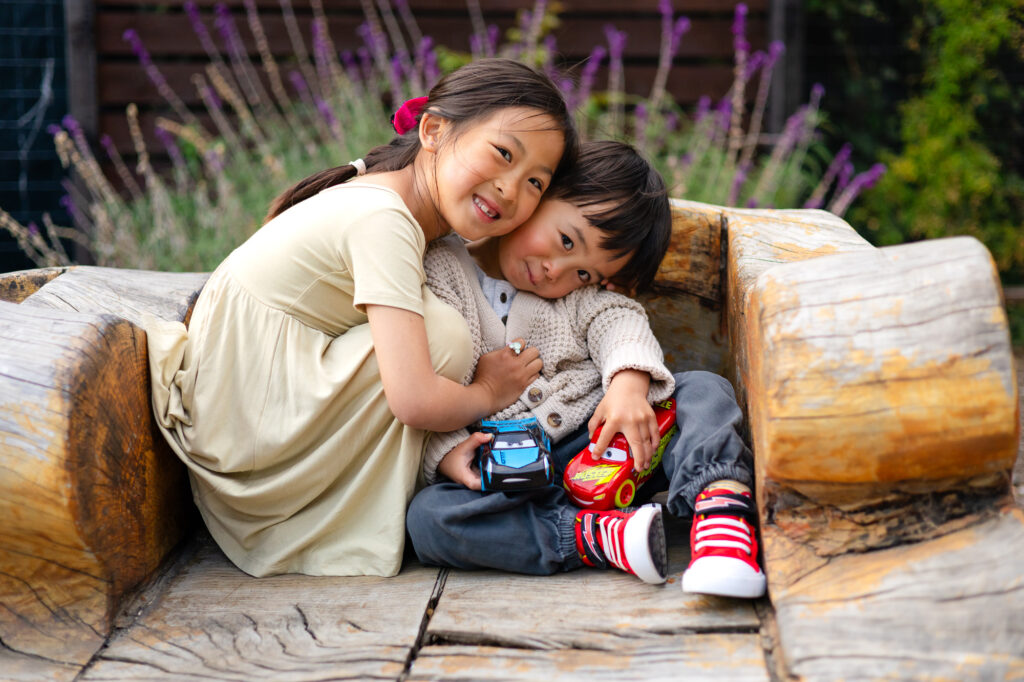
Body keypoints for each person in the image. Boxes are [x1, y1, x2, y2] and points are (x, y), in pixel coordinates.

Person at [145, 58, 580, 578]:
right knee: (442, 338)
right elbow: (414, 399)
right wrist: (489, 391)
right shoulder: (385, 220)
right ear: (434, 131)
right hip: (245, 443)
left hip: (248, 411)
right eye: (503, 154)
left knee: (438, 331)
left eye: (535, 181)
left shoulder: (405, 213)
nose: (511, 188)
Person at [406, 140, 766, 598]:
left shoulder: (576, 301)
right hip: (510, 470)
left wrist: (628, 386)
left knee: (702, 390)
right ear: (540, 194)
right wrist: (449, 453)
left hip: (610, 443)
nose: (558, 271)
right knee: (430, 519)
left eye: (584, 274)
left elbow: (619, 321)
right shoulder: (441, 268)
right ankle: (598, 537)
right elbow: (421, 380)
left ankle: (722, 518)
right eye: (566, 241)